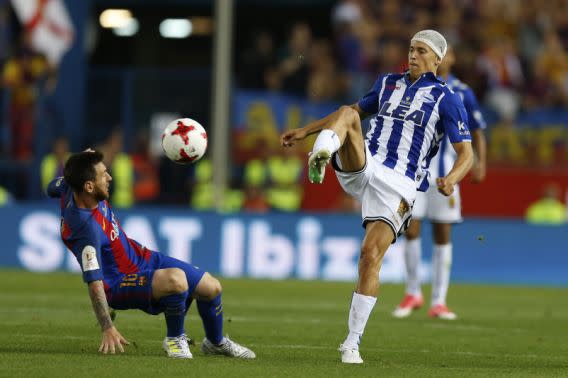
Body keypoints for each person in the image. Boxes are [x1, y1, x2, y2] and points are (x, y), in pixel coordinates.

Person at [280, 30, 473, 364]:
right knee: (349, 113)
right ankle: (321, 155)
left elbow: (466, 152)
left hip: (400, 184)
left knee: (370, 255)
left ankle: (351, 342)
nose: (413, 55)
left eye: (422, 50)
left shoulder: (447, 98)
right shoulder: (387, 83)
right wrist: (305, 130)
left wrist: (452, 179)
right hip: (367, 164)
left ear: (437, 59)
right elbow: (350, 113)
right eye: (411, 49)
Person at [46, 150, 255, 359]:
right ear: (89, 186)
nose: (110, 178)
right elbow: (94, 283)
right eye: (103, 175)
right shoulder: (86, 230)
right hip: (119, 282)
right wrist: (107, 327)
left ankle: (215, 342)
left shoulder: (69, 187)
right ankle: (174, 339)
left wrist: (82, 159)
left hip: (143, 258)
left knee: (212, 287)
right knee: (177, 280)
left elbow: (52, 187)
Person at [392, 45, 487, 321]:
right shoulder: (412, 86)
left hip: (448, 173)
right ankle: (412, 292)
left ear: (446, 58)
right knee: (410, 230)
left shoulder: (462, 91)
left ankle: (439, 300)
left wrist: (480, 162)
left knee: (442, 234)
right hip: (414, 172)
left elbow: (478, 130)